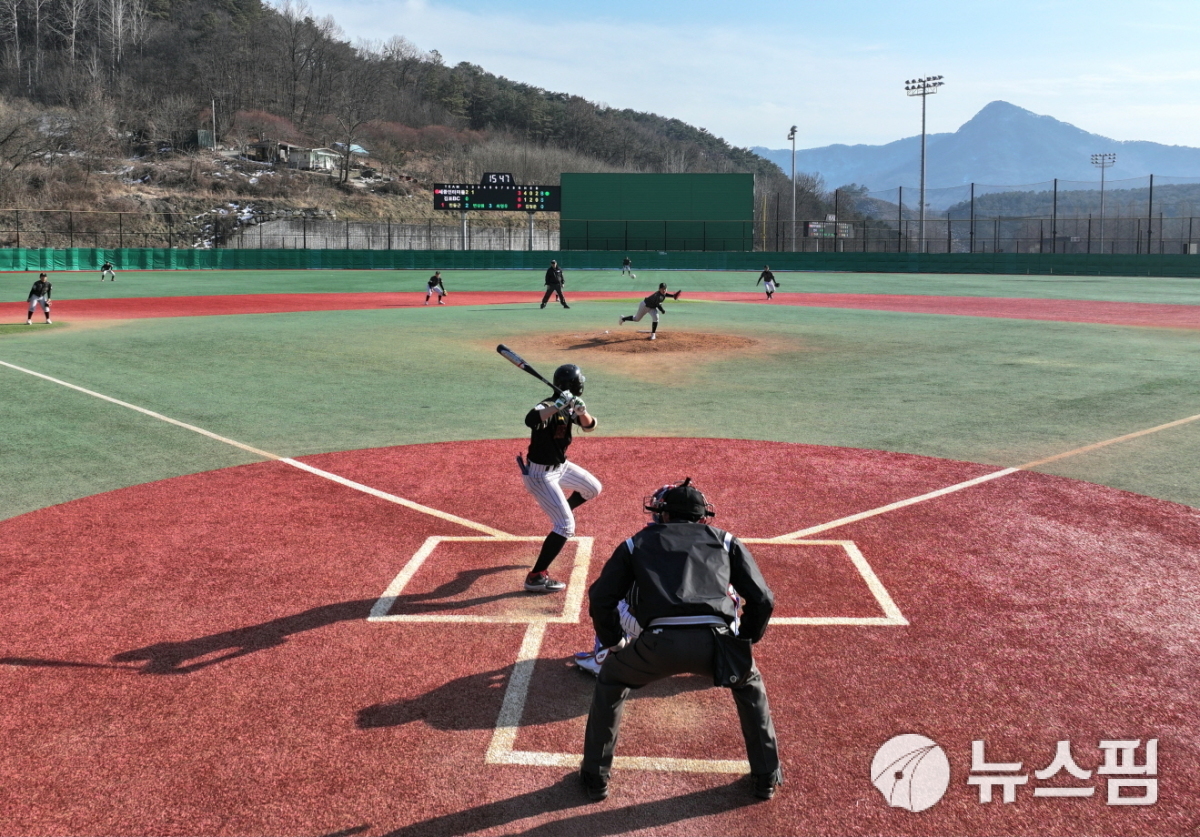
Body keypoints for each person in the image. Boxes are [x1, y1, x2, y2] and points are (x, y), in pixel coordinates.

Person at [579, 478, 782, 803]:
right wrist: (742, 642)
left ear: (664, 514)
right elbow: (763, 600)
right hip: (716, 641)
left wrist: (616, 644)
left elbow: (601, 598)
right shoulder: (726, 540)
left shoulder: (636, 543)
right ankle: (766, 778)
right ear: (703, 517)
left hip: (658, 643)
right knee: (750, 686)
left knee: (612, 680)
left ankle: (595, 778)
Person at [515, 363, 600, 593]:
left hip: (561, 467)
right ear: (573, 384)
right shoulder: (548, 405)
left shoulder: (569, 404)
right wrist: (557, 406)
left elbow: (590, 426)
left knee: (592, 488)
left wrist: (581, 411)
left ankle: (562, 510)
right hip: (540, 475)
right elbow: (531, 419)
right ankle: (535, 577)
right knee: (565, 526)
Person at [617, 283, 681, 340]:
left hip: (652, 308)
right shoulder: (657, 296)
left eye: (665, 289)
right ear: (659, 289)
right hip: (644, 306)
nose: (664, 290)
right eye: (662, 289)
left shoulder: (662, 293)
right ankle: (623, 319)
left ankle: (653, 334)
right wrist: (662, 310)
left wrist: (673, 296)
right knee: (636, 319)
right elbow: (658, 305)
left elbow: (665, 294)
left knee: (656, 318)